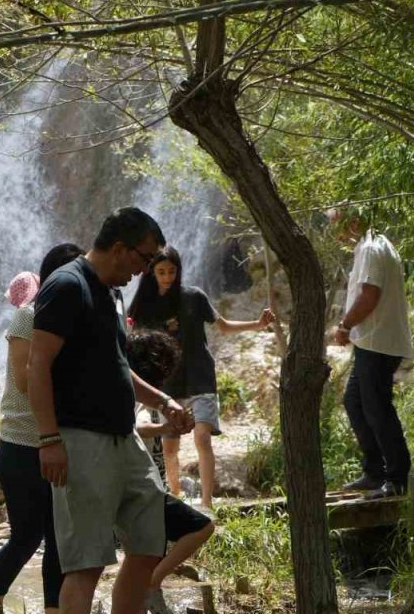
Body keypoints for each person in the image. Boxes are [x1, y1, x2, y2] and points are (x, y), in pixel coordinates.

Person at [28, 207, 212, 614]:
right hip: (79, 438)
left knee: (148, 544)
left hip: (123, 437)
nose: (146, 270)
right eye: (144, 259)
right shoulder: (66, 286)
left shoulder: (112, 292)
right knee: (87, 563)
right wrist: (49, 439)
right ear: (117, 248)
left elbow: (119, 366)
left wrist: (162, 401)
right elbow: (37, 364)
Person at [127, 246, 274, 509]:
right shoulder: (145, 306)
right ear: (151, 273)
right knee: (170, 447)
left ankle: (207, 504)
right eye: (161, 272)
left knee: (202, 437)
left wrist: (258, 324)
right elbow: (134, 343)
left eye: (172, 271)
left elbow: (224, 326)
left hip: (200, 377)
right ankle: (176, 498)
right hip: (167, 385)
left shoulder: (194, 297)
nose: (167, 277)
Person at [0, 244, 83, 614]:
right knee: (26, 537)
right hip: (22, 441)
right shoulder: (28, 315)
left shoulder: (75, 320)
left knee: (58, 539)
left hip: (60, 441)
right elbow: (25, 381)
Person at [331, 209, 414, 499]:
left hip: (378, 342)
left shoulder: (371, 247)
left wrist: (345, 325)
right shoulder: (375, 244)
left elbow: (369, 294)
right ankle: (374, 471)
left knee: (377, 408)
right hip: (373, 341)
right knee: (355, 402)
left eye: (336, 224)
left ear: (352, 220)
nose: (335, 232)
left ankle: (397, 477)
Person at [127, 328, 200, 611]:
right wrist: (165, 427)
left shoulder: (148, 396)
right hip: (145, 488)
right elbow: (140, 426)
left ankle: (149, 595)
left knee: (146, 554)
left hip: (149, 487)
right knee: (200, 527)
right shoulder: (146, 400)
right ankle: (152, 586)